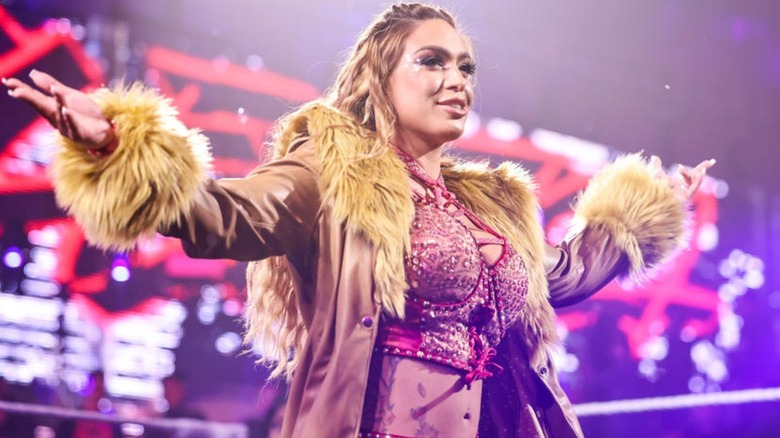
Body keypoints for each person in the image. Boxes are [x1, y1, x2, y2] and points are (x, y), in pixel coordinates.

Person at [2, 3, 714, 437]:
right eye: (432, 61)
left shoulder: (492, 206)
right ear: (380, 76)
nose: (456, 81)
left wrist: (653, 206)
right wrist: (118, 144)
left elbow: (558, 274)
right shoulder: (333, 172)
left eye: (466, 67)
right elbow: (222, 214)